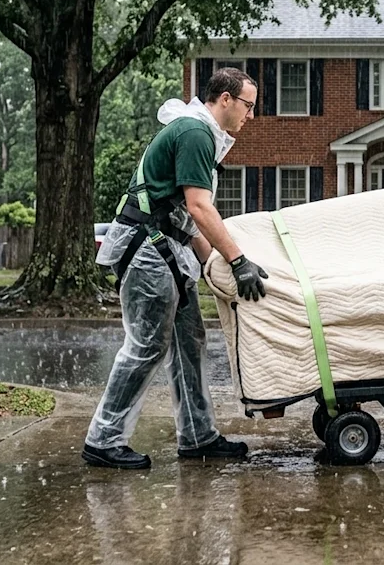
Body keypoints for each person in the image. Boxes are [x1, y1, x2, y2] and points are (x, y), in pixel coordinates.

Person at [83, 67, 270, 469]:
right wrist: (238, 261)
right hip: (148, 251)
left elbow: (185, 215)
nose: (249, 116)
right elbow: (201, 207)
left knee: (190, 343)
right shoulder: (195, 133)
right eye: (248, 106)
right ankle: (103, 440)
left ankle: (198, 436)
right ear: (225, 99)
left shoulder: (199, 134)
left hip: (168, 248)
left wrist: (217, 265)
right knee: (146, 345)